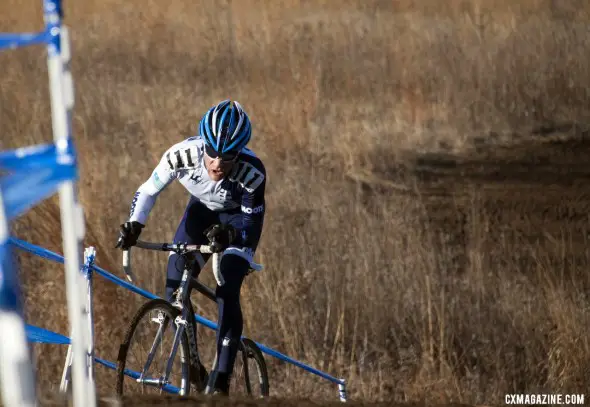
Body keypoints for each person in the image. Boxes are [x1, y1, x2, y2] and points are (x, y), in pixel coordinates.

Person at [115, 100, 266, 395]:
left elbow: (250, 224)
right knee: (173, 287)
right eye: (212, 153)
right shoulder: (181, 155)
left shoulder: (252, 172)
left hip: (237, 223)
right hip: (201, 215)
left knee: (227, 286)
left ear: (239, 152)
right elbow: (147, 190)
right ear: (203, 144)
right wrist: (135, 224)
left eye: (228, 156)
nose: (218, 163)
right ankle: (193, 365)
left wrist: (232, 233)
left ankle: (221, 379)